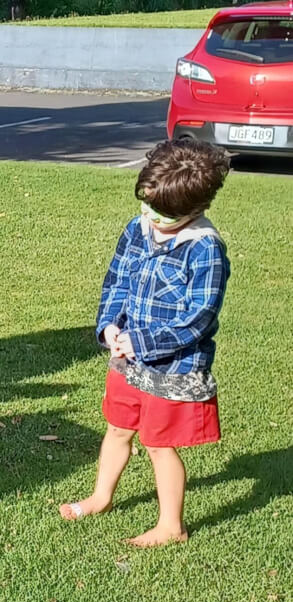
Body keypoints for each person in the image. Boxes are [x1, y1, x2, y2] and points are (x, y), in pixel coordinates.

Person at [60, 138, 232, 547]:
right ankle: (102, 497)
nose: (148, 215)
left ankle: (172, 526)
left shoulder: (205, 249)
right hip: (126, 360)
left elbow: (199, 319)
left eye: (160, 212)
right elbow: (117, 281)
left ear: (195, 209)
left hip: (171, 370)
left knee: (158, 445)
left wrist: (144, 342)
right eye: (146, 203)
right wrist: (109, 327)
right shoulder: (138, 228)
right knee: (118, 428)